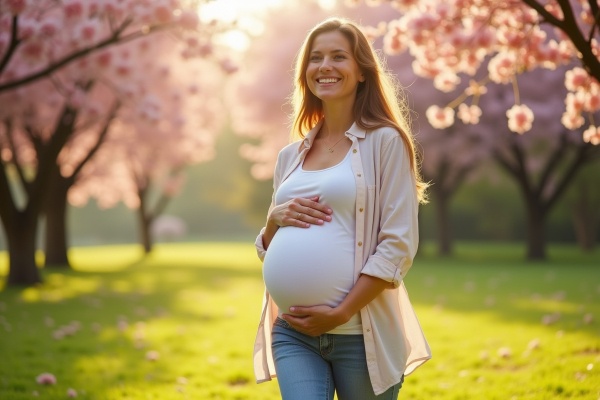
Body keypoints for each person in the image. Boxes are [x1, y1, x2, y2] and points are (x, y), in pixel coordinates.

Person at [252, 17, 431, 400]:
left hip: (358, 336)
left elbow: (397, 246)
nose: (325, 66)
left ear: (362, 71)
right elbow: (269, 246)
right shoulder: (290, 156)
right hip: (292, 332)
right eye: (315, 58)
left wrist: (340, 313)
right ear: (305, 73)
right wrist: (271, 223)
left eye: (338, 56)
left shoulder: (385, 142)